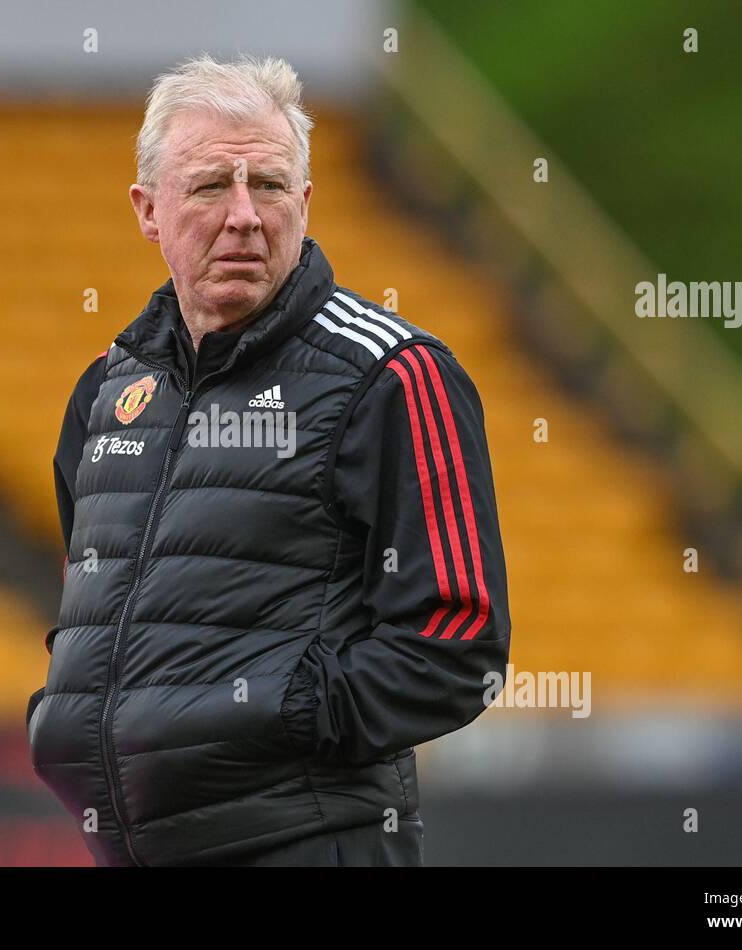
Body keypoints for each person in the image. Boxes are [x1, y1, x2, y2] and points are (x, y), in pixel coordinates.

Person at [28, 53, 511, 866]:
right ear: (149, 210)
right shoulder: (107, 392)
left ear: (306, 203)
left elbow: (456, 642)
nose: (245, 215)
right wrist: (71, 711)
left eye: (272, 185)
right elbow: (96, 603)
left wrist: (287, 715)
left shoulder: (391, 375)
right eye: (213, 186)